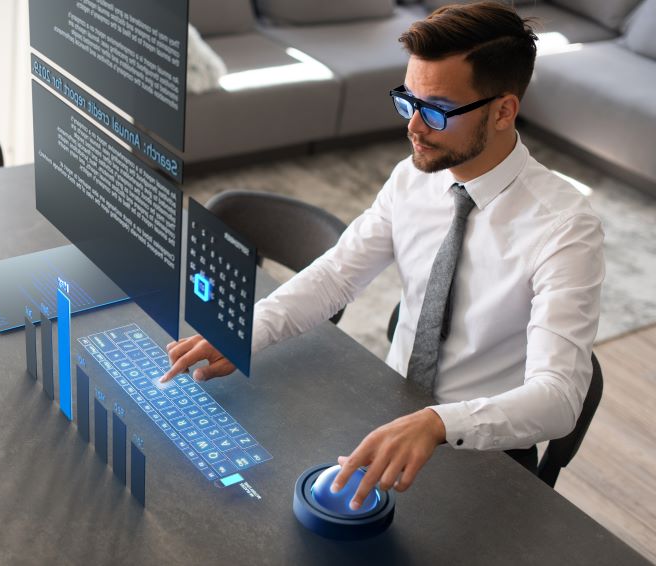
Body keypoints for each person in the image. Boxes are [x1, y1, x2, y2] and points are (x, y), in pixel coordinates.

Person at [161, 2, 603, 511]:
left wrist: (439, 422)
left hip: (486, 452)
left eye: (436, 109)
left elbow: (559, 398)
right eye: (407, 100)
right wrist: (246, 331)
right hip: (389, 407)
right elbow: (336, 276)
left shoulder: (566, 228)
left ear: (503, 111)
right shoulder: (413, 178)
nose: (413, 126)